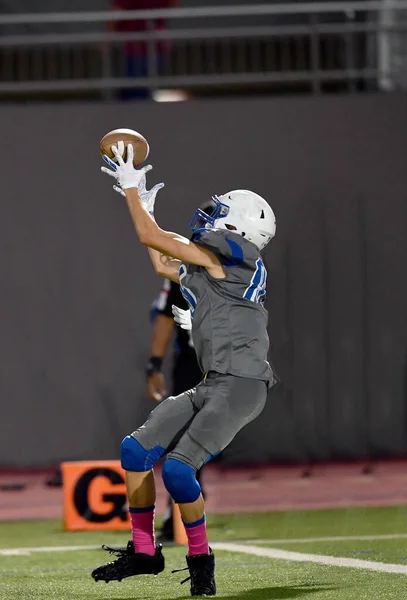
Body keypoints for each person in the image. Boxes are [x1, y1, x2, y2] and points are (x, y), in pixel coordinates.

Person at [91, 142, 277, 597]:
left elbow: (152, 239)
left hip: (242, 387)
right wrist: (146, 210)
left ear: (237, 226)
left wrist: (134, 191)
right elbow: (161, 258)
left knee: (177, 471)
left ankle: (201, 563)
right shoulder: (215, 265)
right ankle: (144, 551)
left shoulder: (236, 255)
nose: (208, 218)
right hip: (214, 383)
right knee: (135, 451)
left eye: (219, 212)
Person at [146, 202, 215, 542]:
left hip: (227, 366)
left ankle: (186, 507)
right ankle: (184, 509)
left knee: (193, 443)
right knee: (183, 443)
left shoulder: (238, 266)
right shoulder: (192, 264)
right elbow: (161, 260)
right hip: (195, 364)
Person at [110, 0, 179, 100]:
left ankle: (136, 105)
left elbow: (116, 13)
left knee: (136, 84)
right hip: (152, 43)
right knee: (143, 83)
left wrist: (108, 36)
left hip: (137, 45)